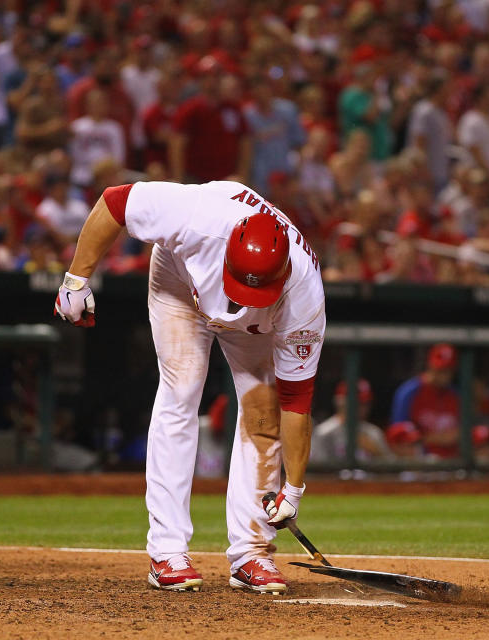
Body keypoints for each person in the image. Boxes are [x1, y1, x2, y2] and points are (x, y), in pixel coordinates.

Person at [54, 180, 326, 595]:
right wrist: (76, 279)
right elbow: (116, 201)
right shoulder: (199, 217)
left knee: (263, 410)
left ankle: (252, 552)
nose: (246, 298)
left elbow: (296, 400)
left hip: (258, 324)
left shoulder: (303, 295)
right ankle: (167, 551)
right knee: (181, 390)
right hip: (181, 284)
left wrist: (293, 489)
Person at [390, 343, 460, 459]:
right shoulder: (409, 392)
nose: (445, 376)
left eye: (449, 371)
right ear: (430, 365)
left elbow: (466, 433)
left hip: (453, 463)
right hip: (419, 462)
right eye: (441, 370)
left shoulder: (456, 395)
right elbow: (398, 436)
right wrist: (434, 438)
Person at [311, 379, 391, 463]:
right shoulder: (324, 433)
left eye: (366, 403)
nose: (363, 408)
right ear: (340, 402)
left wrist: (377, 452)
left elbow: (391, 466)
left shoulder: (373, 432)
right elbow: (317, 470)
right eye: (358, 403)